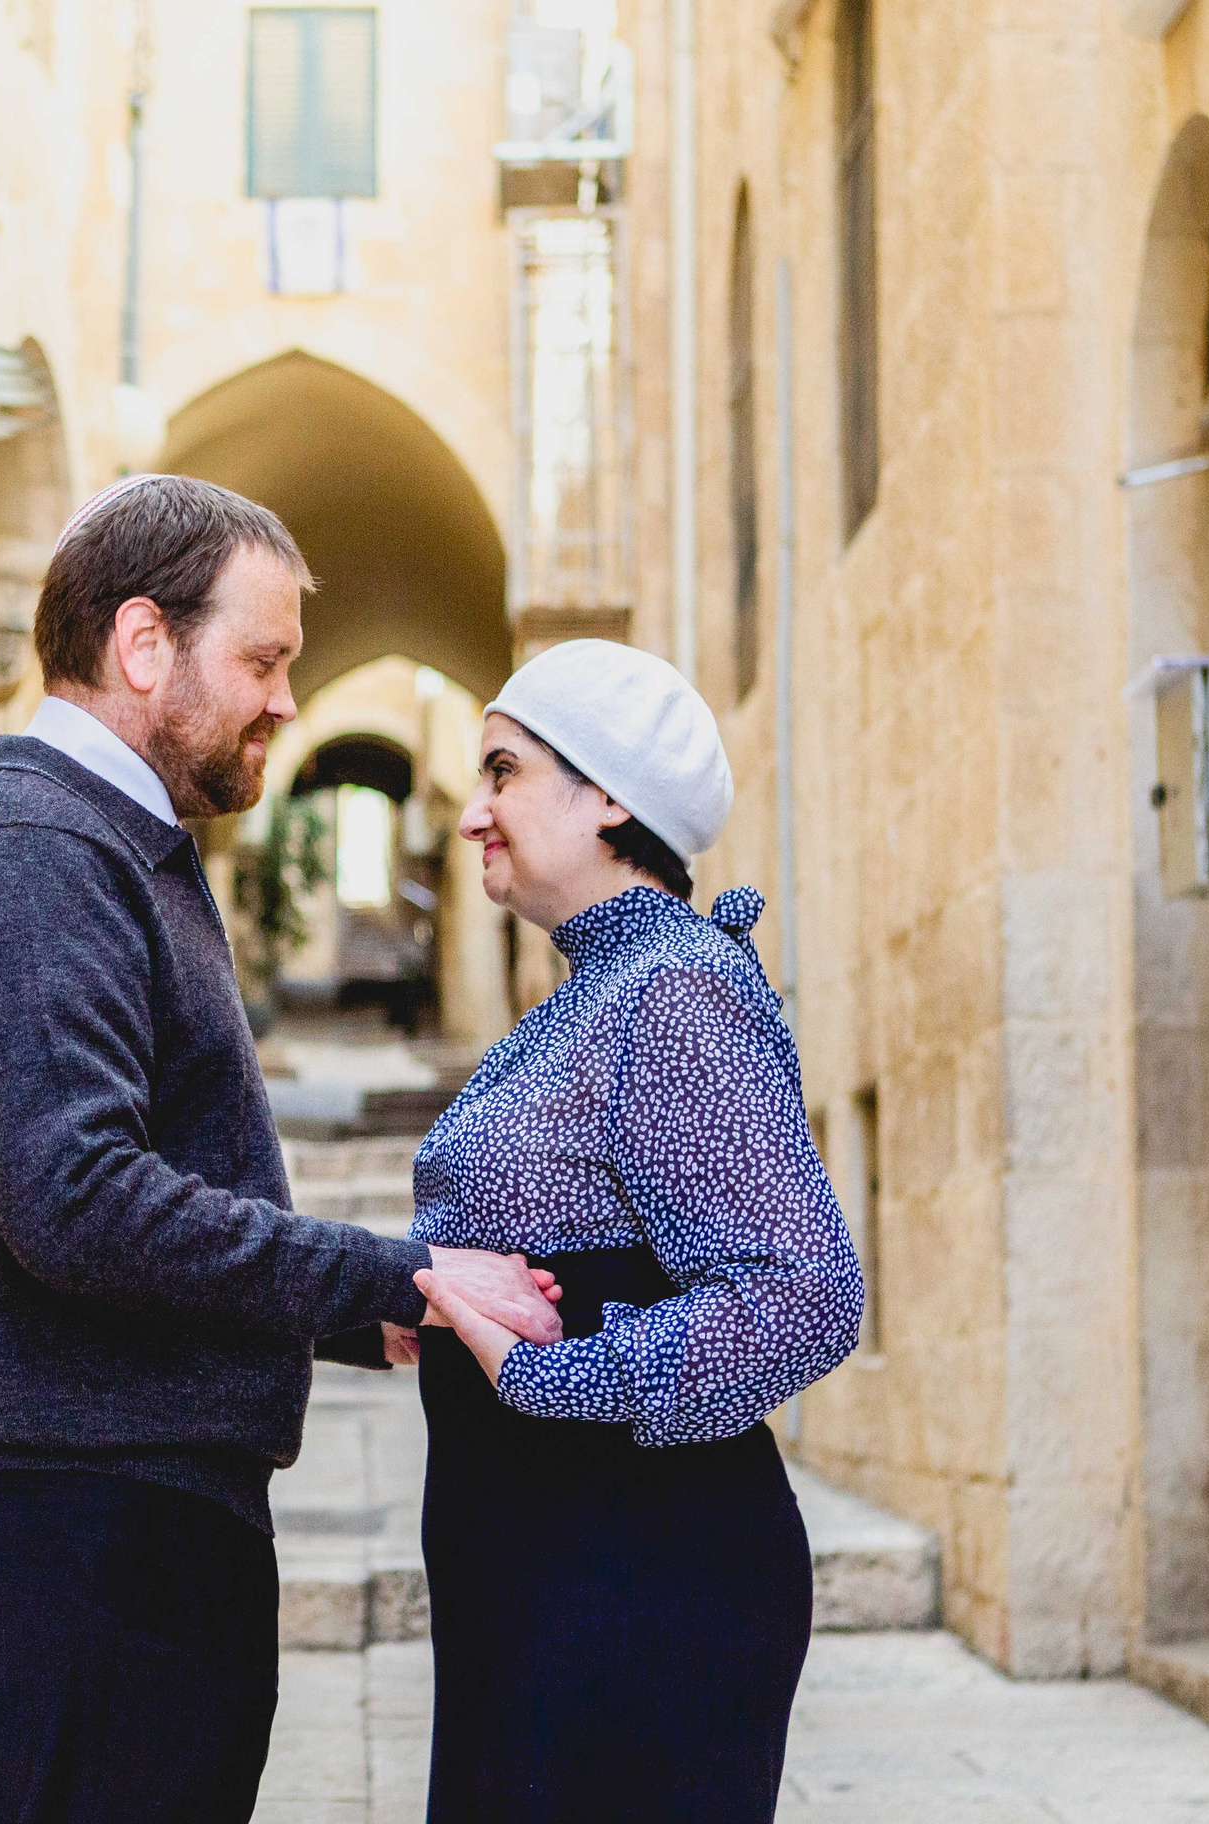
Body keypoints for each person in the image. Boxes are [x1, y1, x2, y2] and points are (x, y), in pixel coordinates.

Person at [0, 474, 564, 1824]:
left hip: (115, 1508)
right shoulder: (37, 859)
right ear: (143, 646)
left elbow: (144, 1183)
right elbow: (76, 1202)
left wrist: (362, 1323)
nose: (287, 701)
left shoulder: (101, 849)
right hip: (87, 1522)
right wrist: (390, 1276)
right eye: (262, 660)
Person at [406, 638, 866, 1824]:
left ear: (607, 794)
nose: (471, 817)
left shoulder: (670, 989)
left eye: (501, 772)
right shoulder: (601, 989)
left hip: (637, 1583)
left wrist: (553, 1377)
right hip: (549, 1575)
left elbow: (802, 1290)